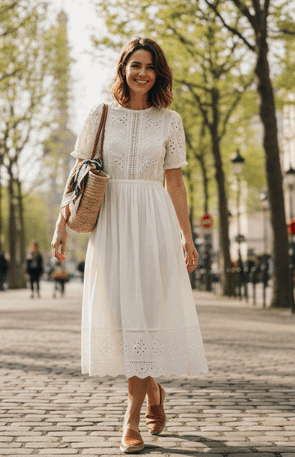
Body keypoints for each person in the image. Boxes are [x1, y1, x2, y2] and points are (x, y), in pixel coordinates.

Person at [51, 37, 208, 454]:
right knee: (124, 323)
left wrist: (186, 235)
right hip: (113, 226)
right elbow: (78, 173)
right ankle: (154, 389)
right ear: (123, 70)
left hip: (154, 224)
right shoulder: (100, 115)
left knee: (147, 320)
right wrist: (60, 225)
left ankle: (131, 418)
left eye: (150, 67)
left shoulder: (169, 121)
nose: (142, 73)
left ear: (159, 74)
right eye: (134, 65)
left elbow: (174, 181)